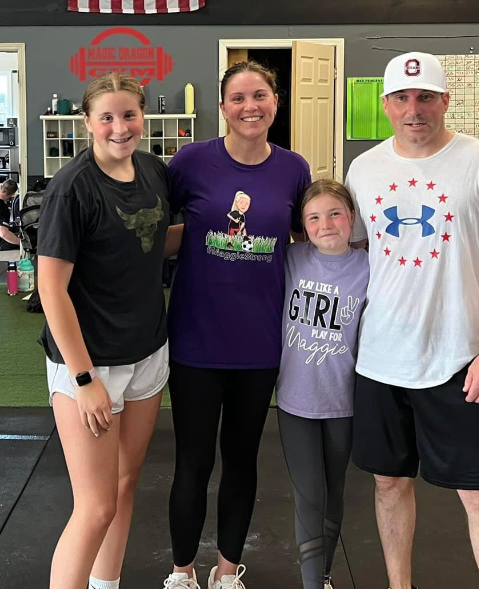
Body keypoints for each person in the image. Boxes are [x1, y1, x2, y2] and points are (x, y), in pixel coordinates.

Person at [344, 52, 479, 589]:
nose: (414, 109)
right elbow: (354, 247)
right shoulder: (365, 170)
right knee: (388, 485)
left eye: (426, 96)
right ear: (385, 105)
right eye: (402, 98)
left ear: (445, 100)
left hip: (461, 360)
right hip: (381, 358)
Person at [163, 60, 311, 589]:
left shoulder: (294, 168)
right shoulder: (191, 161)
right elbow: (154, 226)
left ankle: (227, 571)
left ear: (276, 101)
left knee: (242, 459)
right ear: (222, 107)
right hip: (196, 340)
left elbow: (304, 242)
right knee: (193, 461)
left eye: (261, 95)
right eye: (238, 98)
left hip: (260, 343)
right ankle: (182, 571)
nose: (250, 106)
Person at [37, 73, 175, 589]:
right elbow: (51, 289)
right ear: (88, 122)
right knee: (94, 507)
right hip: (90, 363)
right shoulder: (71, 188)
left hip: (147, 353)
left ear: (143, 115)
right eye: (108, 117)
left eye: (129, 114)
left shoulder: (154, 171)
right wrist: (83, 378)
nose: (120, 127)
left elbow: (154, 240)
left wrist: (227, 230)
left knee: (123, 485)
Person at [277, 179, 368, 589]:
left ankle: (325, 576)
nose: (325, 224)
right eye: (313, 217)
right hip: (296, 402)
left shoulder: (371, 268)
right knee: (308, 496)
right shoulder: (292, 258)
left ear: (352, 218)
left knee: (334, 492)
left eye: (334, 213)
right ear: (302, 225)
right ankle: (312, 584)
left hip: (344, 404)